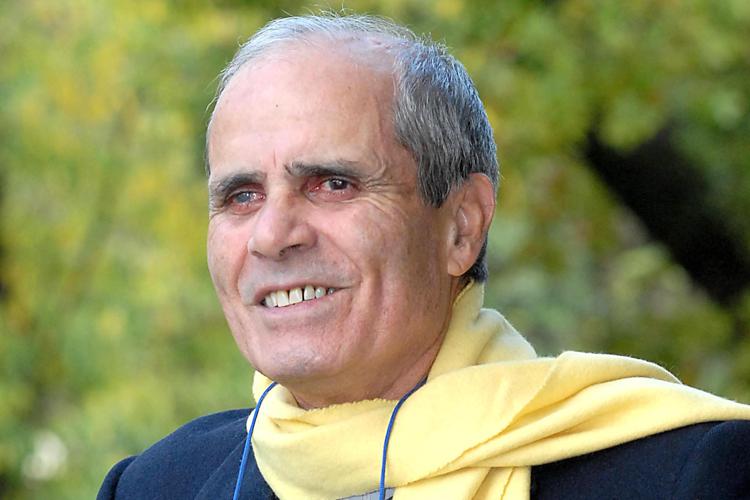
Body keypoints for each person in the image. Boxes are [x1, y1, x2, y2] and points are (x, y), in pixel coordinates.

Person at [98, 13, 750, 500]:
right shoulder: (156, 486)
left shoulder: (687, 475)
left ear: (461, 228)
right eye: (241, 196)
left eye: (333, 183)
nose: (272, 235)